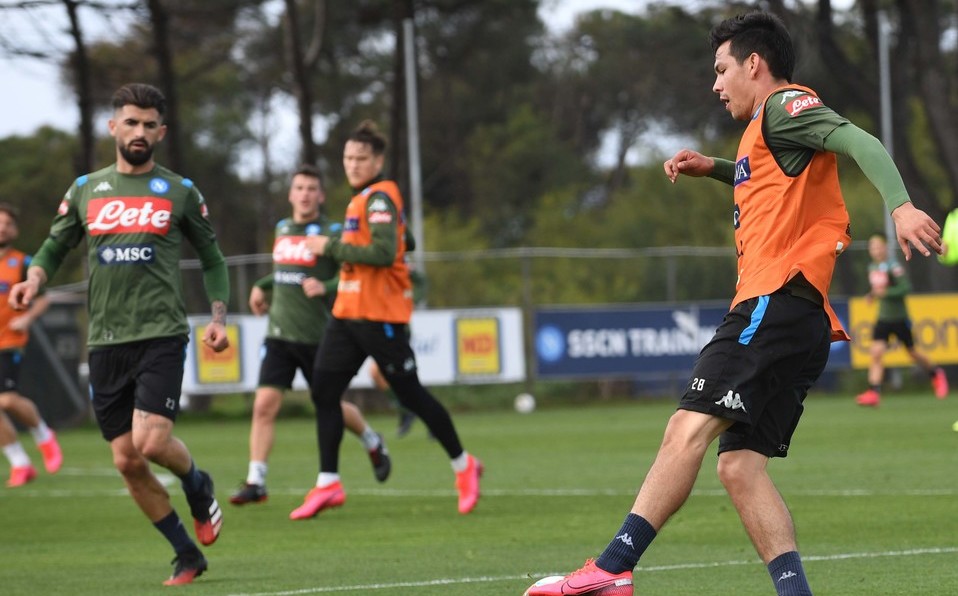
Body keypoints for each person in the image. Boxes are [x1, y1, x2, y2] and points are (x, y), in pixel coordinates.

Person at [524, 12, 943, 596]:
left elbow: (858, 139)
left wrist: (900, 205)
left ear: (754, 63)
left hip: (772, 301)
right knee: (740, 467)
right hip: (802, 318)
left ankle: (612, 569)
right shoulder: (764, 132)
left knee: (685, 428)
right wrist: (715, 169)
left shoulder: (784, 105)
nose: (716, 84)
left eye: (721, 70)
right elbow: (770, 181)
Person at [9, 83, 229, 586]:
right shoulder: (86, 189)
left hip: (161, 334)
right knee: (127, 461)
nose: (139, 132)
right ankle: (186, 553)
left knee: (151, 442)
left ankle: (197, 483)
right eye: (131, 122)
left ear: (161, 132)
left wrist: (218, 319)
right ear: (113, 127)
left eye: (149, 124)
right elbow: (53, 246)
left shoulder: (180, 191)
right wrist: (34, 279)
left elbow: (213, 259)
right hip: (106, 340)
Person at [290, 120, 482, 520]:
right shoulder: (364, 200)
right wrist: (395, 233)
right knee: (324, 390)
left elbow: (381, 252)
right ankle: (328, 482)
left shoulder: (378, 198)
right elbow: (404, 240)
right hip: (347, 313)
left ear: (377, 161)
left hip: (380, 317)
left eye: (361, 158)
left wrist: (330, 246)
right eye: (348, 157)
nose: (352, 164)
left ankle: (464, 466)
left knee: (411, 395)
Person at [230, 164, 391, 506]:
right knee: (264, 405)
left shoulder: (332, 232)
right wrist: (261, 286)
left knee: (329, 405)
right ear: (291, 194)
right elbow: (285, 273)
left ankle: (372, 440)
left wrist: (326, 286)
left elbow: (352, 274)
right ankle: (256, 481)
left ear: (321, 195)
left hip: (318, 336)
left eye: (311, 189)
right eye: (299, 188)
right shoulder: (283, 228)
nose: (305, 194)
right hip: (279, 333)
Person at [0, 202, 63, 487]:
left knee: (6, 399)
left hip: (9, 341)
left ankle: (44, 435)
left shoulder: (22, 262)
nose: (2, 228)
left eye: (8, 224)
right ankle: (20, 463)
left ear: (15, 230)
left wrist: (26, 319)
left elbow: (44, 298)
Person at [855, 233, 947, 406]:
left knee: (913, 353)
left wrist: (886, 293)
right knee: (876, 353)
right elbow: (878, 289)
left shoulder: (894, 267)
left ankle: (936, 373)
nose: (875, 250)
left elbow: (905, 288)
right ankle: (874, 392)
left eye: (878, 246)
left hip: (899, 318)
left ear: (884, 247)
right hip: (883, 318)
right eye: (872, 247)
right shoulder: (873, 267)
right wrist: (872, 295)